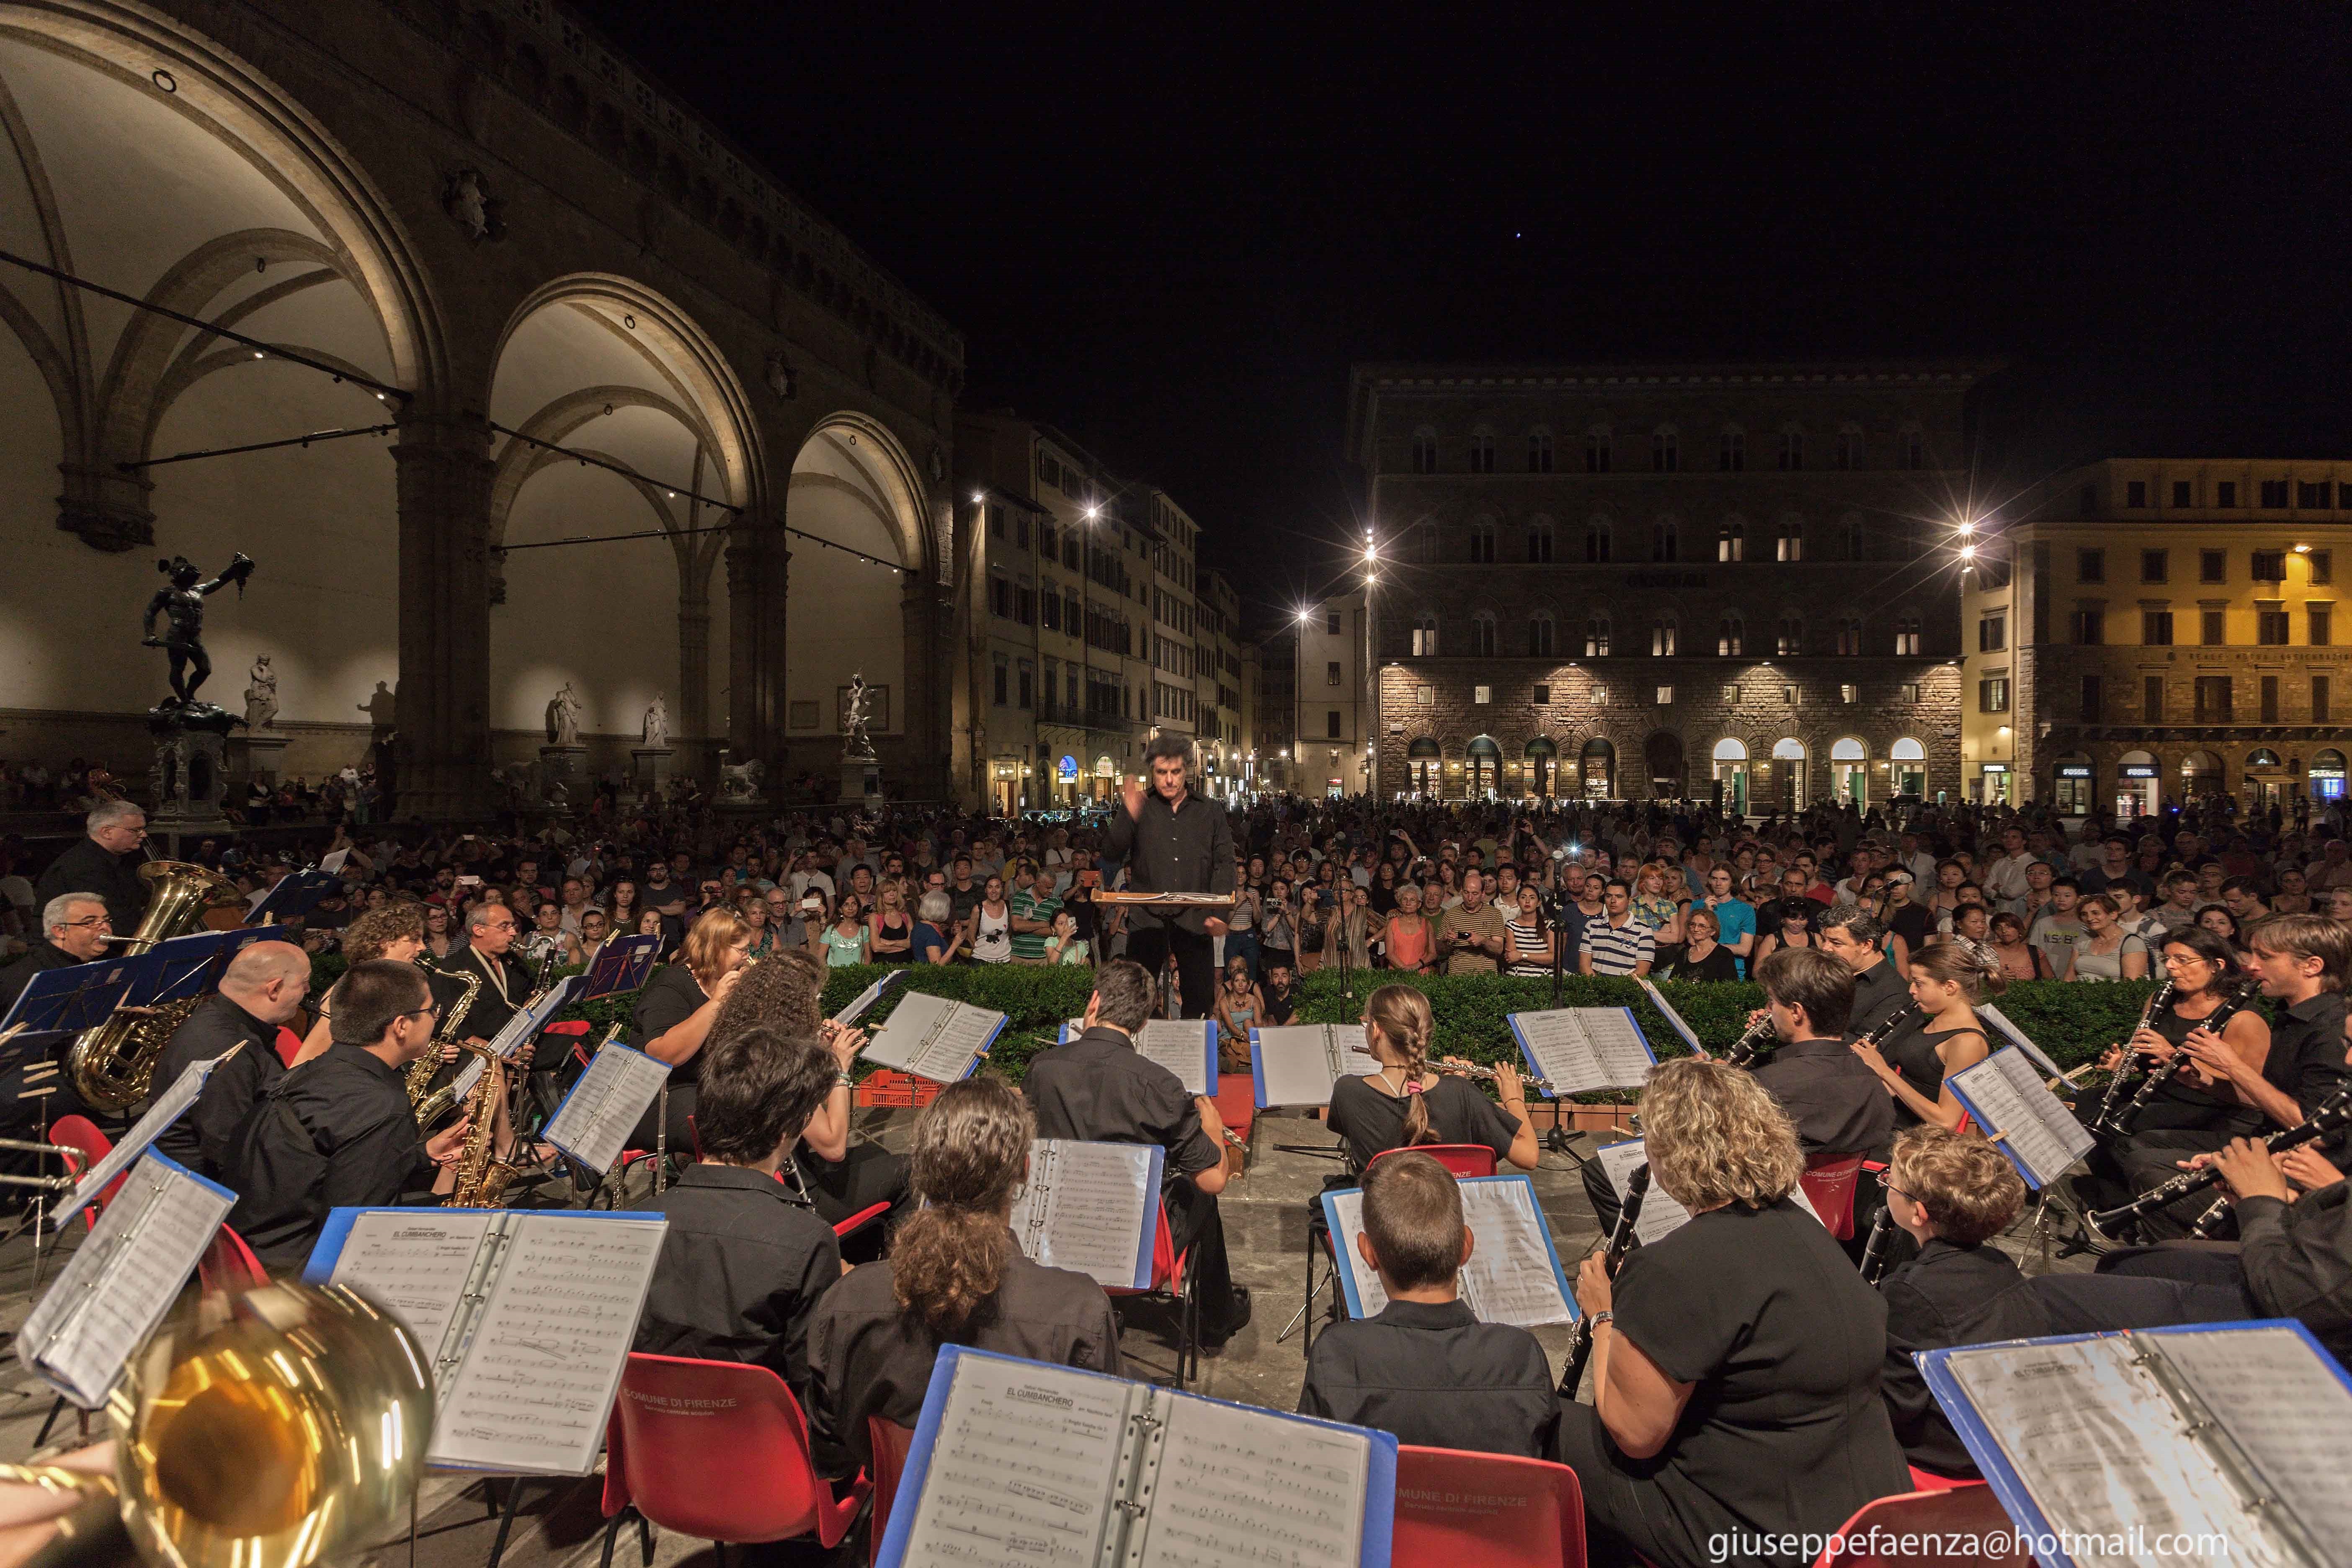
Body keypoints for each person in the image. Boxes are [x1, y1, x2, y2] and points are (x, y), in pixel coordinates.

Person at [1561, 1057, 1908, 1568]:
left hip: (1758, 1533)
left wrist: (1603, 1316)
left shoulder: (1672, 1267)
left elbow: (1634, 1433)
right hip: (1853, 1508)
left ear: (1666, 1155)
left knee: (1549, 1427)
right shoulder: (1809, 1230)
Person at [807, 1076, 1123, 1478]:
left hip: (894, 1527)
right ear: (1024, 1170)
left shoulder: (847, 1299)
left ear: (920, 1170)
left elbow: (829, 1453)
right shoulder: (1079, 1308)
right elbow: (1099, 1464)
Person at [1021, 959, 1250, 1346]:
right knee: (1199, 1195)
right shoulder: (1159, 1084)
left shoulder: (1042, 1068)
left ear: (1094, 1002)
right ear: (1143, 1025)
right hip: (1128, 1245)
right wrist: (1214, 1135)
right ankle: (1216, 1319)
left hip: (1050, 1233)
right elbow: (1214, 1181)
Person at [224, 959, 485, 1269]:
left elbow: (327, 1164)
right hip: (297, 1272)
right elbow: (357, 1234)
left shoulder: (309, 1072)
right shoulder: (380, 1106)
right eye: (431, 1012)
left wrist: (422, 1154)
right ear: (401, 1026)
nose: (436, 1020)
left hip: (251, 1250)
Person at [1298, 1152, 1558, 1457]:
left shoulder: (1338, 1355)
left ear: (1368, 1254)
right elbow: (1547, 1479)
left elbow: (1311, 1472)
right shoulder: (1521, 1356)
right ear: (1466, 1247)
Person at [633, 1024, 843, 1400]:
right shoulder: (806, 1240)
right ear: (785, 1133)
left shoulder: (631, 1224)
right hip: (759, 1447)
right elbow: (812, 1388)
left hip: (651, 1447)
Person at [2111, 914, 2351, 1237]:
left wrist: (2232, 1066)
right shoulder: (2290, 1015)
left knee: (2149, 1168)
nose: (2251, 966)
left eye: (2265, 957)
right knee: (2138, 1150)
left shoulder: (2333, 1031)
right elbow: (2265, 1100)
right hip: (2268, 1144)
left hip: (2302, 1170)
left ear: (2312, 966)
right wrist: (2208, 1083)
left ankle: (2191, 1260)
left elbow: (2314, 1128)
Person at [1876, 1125, 2047, 1480]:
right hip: (2004, 1436)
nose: (1886, 1184)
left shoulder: (1912, 1292)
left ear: (1918, 1214)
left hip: (1952, 1457)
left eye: (1889, 1181)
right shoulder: (2001, 1266)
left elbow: (1893, 1404)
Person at [1329, 984, 1537, 1172]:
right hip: (1448, 1211)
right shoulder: (1460, 1091)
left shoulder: (1347, 1091)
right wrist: (1514, 1100)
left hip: (1384, 1211)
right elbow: (1529, 1157)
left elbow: (1406, 1107)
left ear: (1375, 1030)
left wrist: (1447, 1085)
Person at [1100, 735, 1236, 1020]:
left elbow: (1224, 863)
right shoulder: (1140, 805)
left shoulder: (1209, 810)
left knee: (1199, 1000)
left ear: (1187, 770)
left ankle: (1191, 1061)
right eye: (1162, 773)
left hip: (1195, 918)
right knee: (1136, 1000)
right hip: (1147, 919)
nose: (1170, 780)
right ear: (1152, 771)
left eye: (1175, 772)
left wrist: (1220, 911)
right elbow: (1111, 853)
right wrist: (1128, 814)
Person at [152, 940, 312, 1179]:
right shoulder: (230, 1052)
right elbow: (230, 1151)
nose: (308, 992)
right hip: (205, 1188)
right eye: (304, 984)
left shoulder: (216, 1014)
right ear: (275, 989)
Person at [625, 908, 751, 1154]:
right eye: (742, 951)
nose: (747, 958)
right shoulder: (673, 983)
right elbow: (663, 1055)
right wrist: (716, 1003)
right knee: (733, 1128)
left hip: (710, 1088)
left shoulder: (730, 982)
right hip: (661, 1096)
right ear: (715, 948)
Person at [1852, 940, 1997, 1138]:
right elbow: (1916, 1082)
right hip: (1888, 1118)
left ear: (1950, 987)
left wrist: (1884, 1071)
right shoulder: (1935, 1020)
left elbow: (1946, 1121)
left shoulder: (1968, 1042)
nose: (1912, 990)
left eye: (1919, 983)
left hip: (1911, 1140)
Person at [33, 801, 150, 934]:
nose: (144, 835)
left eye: (143, 829)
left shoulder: (119, 861)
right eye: (136, 830)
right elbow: (114, 921)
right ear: (107, 832)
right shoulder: (82, 866)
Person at [0, 892, 111, 1013]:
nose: (105, 927)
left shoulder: (107, 963)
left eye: (106, 921)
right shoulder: (23, 978)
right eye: (90, 922)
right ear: (60, 931)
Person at [444, 901, 534, 1042]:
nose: (513, 933)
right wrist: (494, 1052)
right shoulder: (451, 969)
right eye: (505, 926)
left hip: (520, 1038)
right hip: (481, 1049)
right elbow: (445, 1023)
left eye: (513, 926)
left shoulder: (514, 960)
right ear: (479, 930)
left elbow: (529, 993)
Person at [1819, 905, 1910, 1037]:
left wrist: (1809, 1028)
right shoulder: (1830, 973)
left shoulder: (1896, 994)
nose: (1825, 948)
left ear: (1867, 946)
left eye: (1836, 943)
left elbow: (1865, 1048)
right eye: (1824, 940)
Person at [2061, 892, 2149, 982]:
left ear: (2113, 915)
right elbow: (2069, 979)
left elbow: (2132, 986)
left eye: (2096, 913)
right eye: (2084, 914)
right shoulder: (2083, 940)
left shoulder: (2132, 943)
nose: (2089, 918)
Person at [1436, 868, 1508, 975]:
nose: (1470, 898)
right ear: (1462, 891)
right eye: (1466, 893)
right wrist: (1444, 940)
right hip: (1457, 978)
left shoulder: (1494, 914)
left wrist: (1483, 941)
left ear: (1483, 894)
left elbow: (1499, 949)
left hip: (1486, 979)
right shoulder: (1450, 915)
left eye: (1475, 894)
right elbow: (1440, 950)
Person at [1578, 879, 1656, 978]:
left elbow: (1641, 972)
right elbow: (1584, 966)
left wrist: (1615, 991)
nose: (1613, 901)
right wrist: (1597, 987)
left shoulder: (1644, 931)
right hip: (1593, 989)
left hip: (1625, 991)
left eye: (1619, 897)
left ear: (1630, 900)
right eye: (1609, 896)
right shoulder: (1592, 926)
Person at [1657, 905, 1737, 982]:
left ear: (1713, 931)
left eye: (1702, 926)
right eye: (1693, 925)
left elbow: (1729, 986)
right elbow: (1673, 981)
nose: (1696, 930)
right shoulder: (1684, 953)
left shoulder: (1724, 954)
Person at [1210, 956, 1261, 1074]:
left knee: (1249, 1022)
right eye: (1237, 981)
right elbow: (1230, 1025)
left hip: (1248, 1034)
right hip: (1230, 1035)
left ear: (1248, 985)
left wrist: (1255, 1036)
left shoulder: (1255, 1001)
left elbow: (1258, 1023)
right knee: (1232, 1052)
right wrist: (1242, 1036)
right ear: (1232, 984)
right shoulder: (1224, 1001)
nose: (1240, 984)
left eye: (1244, 981)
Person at [1382, 882, 1434, 973]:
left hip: (1421, 974)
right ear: (1400, 903)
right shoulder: (1392, 923)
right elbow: (1389, 954)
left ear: (1419, 904)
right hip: (1397, 973)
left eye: (1412, 900)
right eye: (1405, 900)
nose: (1408, 903)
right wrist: (1405, 969)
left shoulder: (1427, 924)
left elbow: (1433, 954)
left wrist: (1415, 966)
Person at [962, 875, 1013, 965]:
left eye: (997, 887)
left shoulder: (1008, 907)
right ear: (985, 890)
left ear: (1002, 889)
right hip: (981, 960)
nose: (994, 891)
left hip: (1005, 959)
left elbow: (1012, 932)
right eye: (990, 887)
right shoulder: (978, 909)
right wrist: (982, 953)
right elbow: (970, 936)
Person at [910, 890, 956, 965]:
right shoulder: (930, 933)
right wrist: (955, 945)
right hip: (931, 975)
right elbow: (937, 966)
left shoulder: (920, 925)